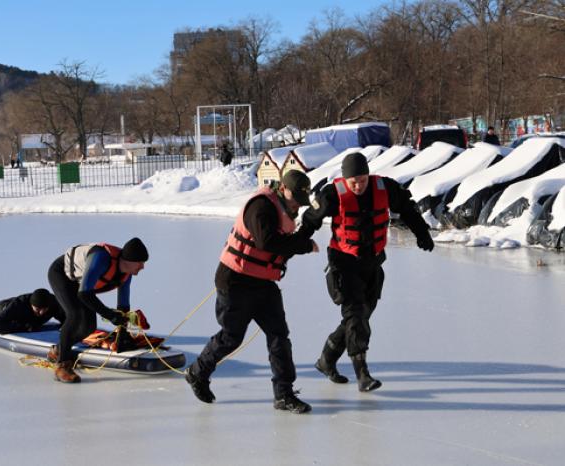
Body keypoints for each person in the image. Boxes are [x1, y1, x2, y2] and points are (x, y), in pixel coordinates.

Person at [184, 170, 319, 414]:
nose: (298, 205)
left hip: (263, 283)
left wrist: (307, 231)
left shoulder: (285, 209)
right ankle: (197, 372)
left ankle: (284, 394)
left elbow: (281, 247)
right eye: (296, 199)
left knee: (279, 335)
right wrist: (304, 245)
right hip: (235, 281)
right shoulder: (261, 206)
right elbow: (267, 243)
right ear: (284, 189)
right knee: (231, 337)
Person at [302, 153, 434, 392]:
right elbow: (310, 220)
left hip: (372, 263)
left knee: (361, 316)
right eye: (353, 181)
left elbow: (408, 208)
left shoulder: (385, 188)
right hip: (343, 261)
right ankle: (362, 373)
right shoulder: (333, 194)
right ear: (345, 178)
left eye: (362, 179)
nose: (358, 185)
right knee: (355, 314)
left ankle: (326, 359)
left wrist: (422, 233)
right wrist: (296, 244)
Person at [48, 237, 150, 383]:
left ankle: (58, 350)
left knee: (89, 326)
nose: (142, 267)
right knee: (75, 316)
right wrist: (109, 315)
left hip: (82, 284)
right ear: (128, 260)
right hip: (62, 275)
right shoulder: (101, 258)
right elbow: (84, 294)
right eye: (140, 262)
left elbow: (123, 306)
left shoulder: (126, 274)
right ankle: (61, 365)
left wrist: (122, 333)